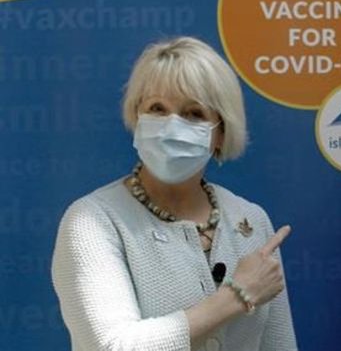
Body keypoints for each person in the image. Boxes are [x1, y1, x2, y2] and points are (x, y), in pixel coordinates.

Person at [52, 37, 298, 351]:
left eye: (193, 113)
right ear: (137, 118)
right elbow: (110, 346)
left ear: (221, 133)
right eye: (157, 109)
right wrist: (236, 296)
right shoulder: (92, 221)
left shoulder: (251, 220)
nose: (171, 127)